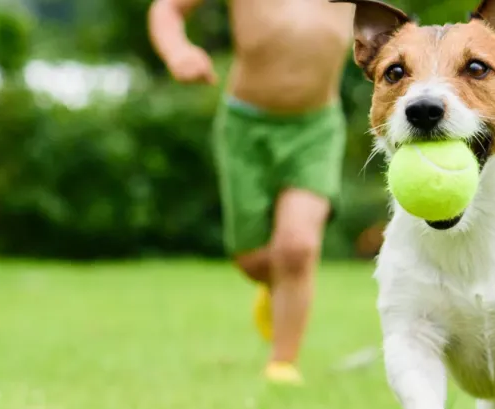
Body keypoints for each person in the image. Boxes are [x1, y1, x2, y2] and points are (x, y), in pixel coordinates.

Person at [148, 0, 354, 385]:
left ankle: (283, 363)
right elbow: (167, 9)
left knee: (297, 248)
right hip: (245, 128)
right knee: (253, 260)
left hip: (317, 130)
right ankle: (273, 284)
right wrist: (178, 52)